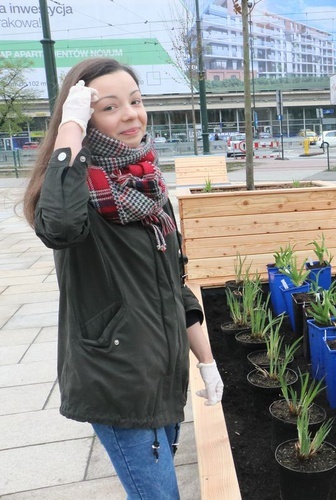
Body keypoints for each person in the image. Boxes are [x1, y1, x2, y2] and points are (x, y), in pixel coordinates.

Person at [22, 58, 224, 499]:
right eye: (110, 107)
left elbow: (175, 283)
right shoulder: (72, 191)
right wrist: (69, 133)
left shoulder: (148, 184)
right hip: (117, 381)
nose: (131, 114)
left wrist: (206, 362)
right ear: (82, 117)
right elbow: (57, 226)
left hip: (163, 373)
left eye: (135, 100)